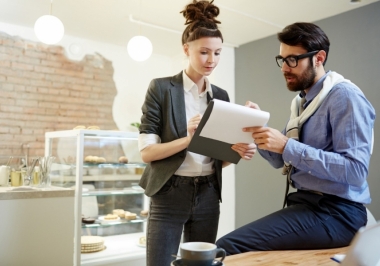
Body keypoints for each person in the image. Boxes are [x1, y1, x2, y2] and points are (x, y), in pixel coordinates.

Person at [216, 22, 376, 254]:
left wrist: (287, 145)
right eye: (282, 60)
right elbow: (279, 160)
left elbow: (356, 171)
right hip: (307, 205)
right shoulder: (302, 103)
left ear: (319, 58)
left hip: (338, 212)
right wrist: (256, 127)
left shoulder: (344, 97)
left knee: (227, 246)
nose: (284, 68)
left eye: (293, 60)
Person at [137, 1, 256, 265]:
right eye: (204, 52)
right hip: (169, 193)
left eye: (217, 53)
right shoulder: (161, 89)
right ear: (186, 49)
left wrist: (238, 150)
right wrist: (189, 140)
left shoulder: (221, 96)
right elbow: (147, 153)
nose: (211, 60)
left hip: (208, 195)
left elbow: (219, 160)